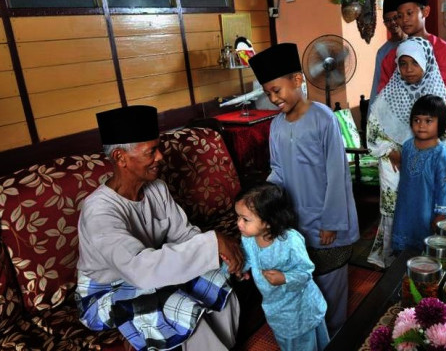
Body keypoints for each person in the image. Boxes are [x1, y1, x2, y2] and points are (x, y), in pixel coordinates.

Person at [75, 105, 243, 351]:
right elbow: (140, 270)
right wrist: (212, 242)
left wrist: (222, 254)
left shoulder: (157, 188)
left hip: (149, 274)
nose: (160, 157)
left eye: (158, 148)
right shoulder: (99, 211)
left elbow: (183, 234)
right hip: (107, 291)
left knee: (216, 276)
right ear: (120, 158)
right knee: (179, 307)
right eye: (151, 151)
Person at [249, 43, 360, 336]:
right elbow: (277, 170)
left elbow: (337, 172)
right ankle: (315, 335)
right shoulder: (276, 126)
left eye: (276, 90)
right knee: (305, 279)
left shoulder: (323, 118)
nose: (274, 98)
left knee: (331, 279)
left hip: (326, 219)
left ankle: (336, 334)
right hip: (295, 219)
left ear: (297, 79)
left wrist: (332, 221)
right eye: (268, 93)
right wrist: (261, 203)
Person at [366, 37, 446, 269]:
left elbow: (445, 132)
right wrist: (391, 152)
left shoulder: (436, 96)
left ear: (426, 63)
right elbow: (373, 133)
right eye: (403, 64)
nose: (408, 70)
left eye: (414, 63)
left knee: (424, 207)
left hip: (428, 161)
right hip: (393, 162)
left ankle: (425, 256)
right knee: (394, 209)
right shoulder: (386, 96)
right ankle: (390, 257)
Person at [230, 183, 329, 351]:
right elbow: (249, 257)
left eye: (245, 219)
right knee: (287, 340)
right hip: (275, 306)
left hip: (299, 307)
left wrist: (284, 278)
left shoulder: (290, 241)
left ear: (269, 221)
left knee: (305, 342)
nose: (239, 223)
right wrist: (241, 268)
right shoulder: (248, 237)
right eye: (238, 217)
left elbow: (305, 272)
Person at [376, 0, 446, 131]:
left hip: (435, 129)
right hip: (402, 129)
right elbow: (384, 96)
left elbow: (443, 94)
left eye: (410, 13)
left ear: (425, 12)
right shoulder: (392, 56)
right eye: (399, 16)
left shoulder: (442, 50)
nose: (404, 20)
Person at [391, 94, 446, 251]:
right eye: (417, 120)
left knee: (427, 251)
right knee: (404, 249)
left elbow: (444, 187)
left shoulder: (440, 152)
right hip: (406, 207)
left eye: (428, 121)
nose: (421, 125)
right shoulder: (407, 146)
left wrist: (441, 215)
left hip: (428, 210)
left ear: (441, 123)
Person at [368, 0, 407, 113]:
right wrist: (371, 115)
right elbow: (377, 84)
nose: (392, 23)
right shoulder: (382, 52)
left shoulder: (414, 43)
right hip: (391, 109)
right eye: (388, 20)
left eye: (395, 18)